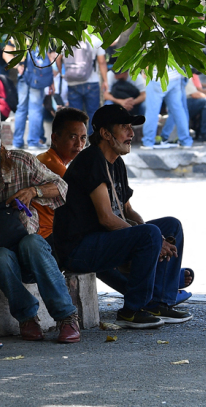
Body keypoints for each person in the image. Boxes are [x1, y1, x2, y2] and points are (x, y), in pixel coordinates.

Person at [53, 105, 191, 329]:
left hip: (104, 240)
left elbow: (127, 210)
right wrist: (152, 238)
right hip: (78, 248)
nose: (131, 133)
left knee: (171, 226)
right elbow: (106, 218)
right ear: (106, 134)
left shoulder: (116, 162)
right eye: (125, 127)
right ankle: (132, 310)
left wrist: (157, 239)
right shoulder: (91, 160)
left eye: (131, 127)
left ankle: (159, 302)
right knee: (151, 234)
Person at [0, 145, 80, 343]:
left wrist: (33, 191)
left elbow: (61, 186)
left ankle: (66, 316)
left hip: (31, 249)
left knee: (32, 243)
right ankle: (27, 317)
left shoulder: (20, 161)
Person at [9, 47, 54, 149]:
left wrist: (18, 66)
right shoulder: (43, 35)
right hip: (37, 77)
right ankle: (33, 142)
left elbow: (6, 53)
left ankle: (17, 142)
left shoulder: (19, 34)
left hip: (23, 75)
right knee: (35, 109)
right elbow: (51, 58)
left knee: (21, 108)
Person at [59, 40, 108, 129]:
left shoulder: (65, 38)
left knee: (75, 115)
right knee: (93, 113)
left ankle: (76, 139)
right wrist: (105, 81)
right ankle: (92, 139)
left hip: (72, 82)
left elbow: (58, 58)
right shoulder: (95, 40)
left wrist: (61, 73)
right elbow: (102, 62)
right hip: (92, 82)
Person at [142, 68, 193, 149]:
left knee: (152, 111)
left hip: (156, 78)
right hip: (175, 77)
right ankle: (186, 141)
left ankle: (148, 142)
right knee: (178, 110)